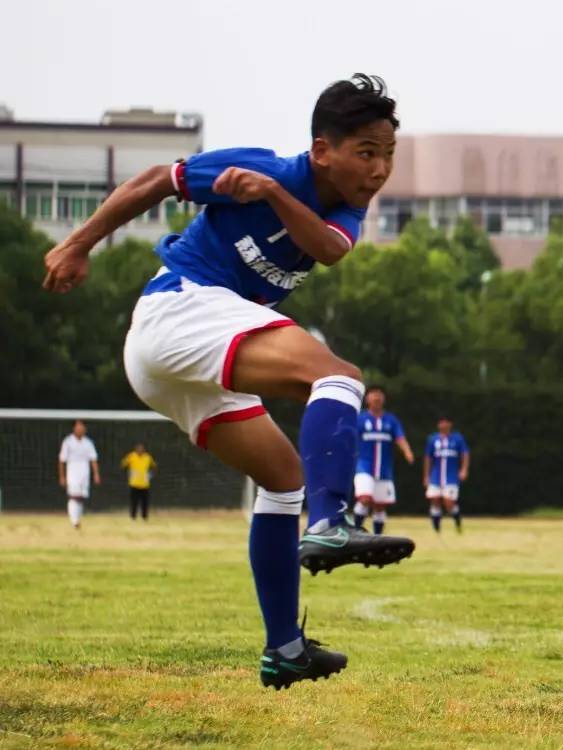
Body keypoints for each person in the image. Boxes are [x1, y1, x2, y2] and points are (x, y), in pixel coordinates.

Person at [42, 73, 415, 689]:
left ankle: (286, 649)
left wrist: (270, 197)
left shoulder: (343, 204)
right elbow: (154, 181)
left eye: (388, 155)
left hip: (177, 361)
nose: (378, 170)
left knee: (283, 477)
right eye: (366, 153)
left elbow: (327, 248)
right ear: (322, 150)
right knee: (340, 378)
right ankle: (330, 522)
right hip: (179, 308)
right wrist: (79, 244)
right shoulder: (261, 166)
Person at [354, 385, 414, 534]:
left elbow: (400, 438)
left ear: (383, 399)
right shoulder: (360, 419)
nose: (376, 397)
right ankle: (354, 531)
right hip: (364, 467)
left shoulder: (391, 420)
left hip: (384, 470)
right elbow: (350, 439)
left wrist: (407, 451)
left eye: (379, 395)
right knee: (365, 499)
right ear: (367, 399)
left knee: (380, 506)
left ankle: (377, 538)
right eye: (373, 395)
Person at [423, 417, 470, 534]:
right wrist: (426, 475)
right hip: (435, 476)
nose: (443, 424)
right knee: (435, 500)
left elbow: (465, 454)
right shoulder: (433, 439)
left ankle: (458, 525)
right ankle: (437, 530)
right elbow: (428, 458)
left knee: (449, 502)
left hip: (451, 476)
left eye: (446, 422)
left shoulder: (457, 439)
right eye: (441, 422)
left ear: (450, 424)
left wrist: (464, 469)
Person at [58, 420, 99, 529]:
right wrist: (62, 476)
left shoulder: (88, 442)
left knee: (81, 497)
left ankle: (77, 518)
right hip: (72, 471)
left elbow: (93, 459)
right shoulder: (68, 442)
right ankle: (74, 521)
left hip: (85, 472)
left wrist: (96, 474)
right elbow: (62, 460)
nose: (81, 429)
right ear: (74, 429)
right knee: (73, 496)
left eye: (82, 427)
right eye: (78, 427)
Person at [121, 442, 157, 520]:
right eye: (138, 448)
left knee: (145, 502)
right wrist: (128, 474)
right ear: (135, 449)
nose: (140, 450)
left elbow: (154, 467)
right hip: (134, 483)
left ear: (144, 449)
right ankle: (133, 516)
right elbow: (123, 465)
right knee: (134, 502)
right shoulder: (131, 456)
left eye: (141, 448)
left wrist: (150, 475)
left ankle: (144, 517)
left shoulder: (148, 457)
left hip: (144, 484)